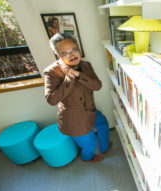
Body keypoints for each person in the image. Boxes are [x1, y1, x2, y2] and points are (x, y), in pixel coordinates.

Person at [44, 33, 112, 162]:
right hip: (73, 118)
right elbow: (51, 99)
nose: (72, 55)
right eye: (65, 53)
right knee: (90, 143)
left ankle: (104, 147)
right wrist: (69, 78)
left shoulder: (86, 65)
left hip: (90, 111)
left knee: (103, 123)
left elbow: (97, 86)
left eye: (74, 50)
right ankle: (88, 158)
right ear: (58, 55)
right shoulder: (51, 71)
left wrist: (78, 74)